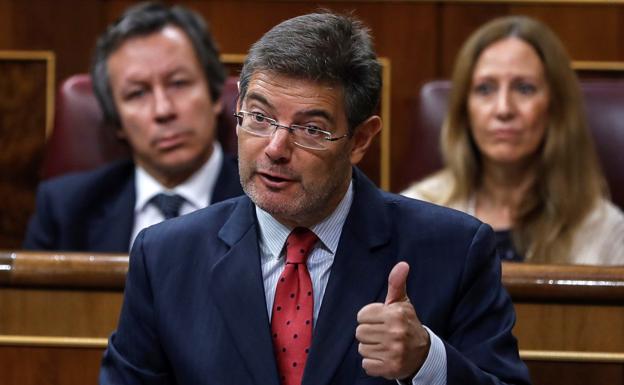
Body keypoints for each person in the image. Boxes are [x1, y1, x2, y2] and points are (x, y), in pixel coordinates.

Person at [99, 12, 530, 385]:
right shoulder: (165, 256)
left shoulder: (453, 250)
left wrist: (427, 361)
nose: (274, 148)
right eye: (260, 118)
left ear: (360, 139)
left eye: (310, 129)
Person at [403, 16, 624, 265]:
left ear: (555, 106)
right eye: (485, 89)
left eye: (524, 88)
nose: (504, 109)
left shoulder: (605, 231)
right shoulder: (417, 211)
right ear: (465, 109)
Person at [23, 2, 243, 252]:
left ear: (214, 95)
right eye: (137, 93)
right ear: (116, 121)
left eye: (179, 83)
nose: (163, 110)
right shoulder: (65, 209)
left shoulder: (263, 200)